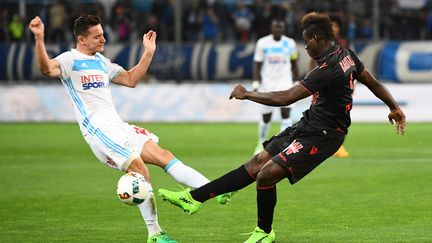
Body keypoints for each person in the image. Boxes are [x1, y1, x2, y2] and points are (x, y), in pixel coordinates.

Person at [158, 12, 406, 242]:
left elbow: (284, 98)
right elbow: (372, 81)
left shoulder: (326, 69)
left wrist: (247, 94)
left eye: (307, 42)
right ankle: (193, 198)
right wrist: (393, 106)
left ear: (317, 38)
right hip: (309, 124)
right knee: (256, 163)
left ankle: (265, 233)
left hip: (325, 136)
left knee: (265, 174)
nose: (305, 47)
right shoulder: (347, 55)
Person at [28, 15, 232, 243]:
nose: (104, 38)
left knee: (164, 156)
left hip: (118, 126)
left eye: (103, 33)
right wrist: (39, 38)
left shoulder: (101, 62)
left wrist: (148, 53)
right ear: (82, 40)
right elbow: (46, 69)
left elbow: (131, 79)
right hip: (99, 131)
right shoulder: (69, 60)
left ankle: (214, 189)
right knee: (140, 170)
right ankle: (155, 234)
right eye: (97, 36)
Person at [251, 19, 299, 155]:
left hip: (285, 83)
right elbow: (257, 63)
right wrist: (255, 81)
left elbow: (294, 61)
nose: (278, 29)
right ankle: (261, 143)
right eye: (275, 27)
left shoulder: (290, 43)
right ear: (271, 28)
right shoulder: (262, 43)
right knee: (266, 116)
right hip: (268, 84)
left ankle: (284, 144)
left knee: (286, 113)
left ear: (284, 29)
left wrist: (296, 80)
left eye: (280, 27)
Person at [308, 14, 351, 158]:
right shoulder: (321, 43)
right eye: (331, 25)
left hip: (340, 85)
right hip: (321, 84)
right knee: (319, 112)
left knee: (340, 114)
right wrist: (310, 81)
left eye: (336, 26)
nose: (334, 28)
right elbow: (312, 62)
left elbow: (351, 63)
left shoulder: (344, 44)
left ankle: (336, 145)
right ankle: (317, 144)